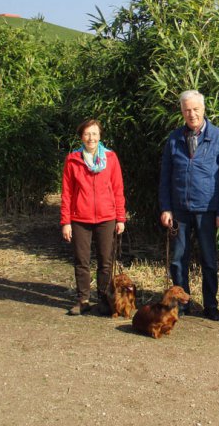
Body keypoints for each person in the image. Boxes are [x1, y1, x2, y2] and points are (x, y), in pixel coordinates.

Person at [159, 90, 219, 320]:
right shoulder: (174, 138)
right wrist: (166, 207)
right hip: (179, 209)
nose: (191, 114)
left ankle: (211, 304)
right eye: (187, 110)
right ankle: (182, 303)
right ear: (182, 112)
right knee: (178, 259)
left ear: (203, 109)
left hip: (207, 209)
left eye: (195, 109)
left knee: (209, 260)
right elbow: (165, 176)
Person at [61, 119, 126, 316]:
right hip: (80, 217)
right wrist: (66, 222)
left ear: (100, 136)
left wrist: (120, 218)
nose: (91, 138)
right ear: (81, 136)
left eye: (95, 134)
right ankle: (83, 299)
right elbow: (67, 193)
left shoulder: (111, 158)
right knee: (82, 260)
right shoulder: (73, 159)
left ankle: (104, 300)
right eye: (87, 134)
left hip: (107, 217)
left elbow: (118, 189)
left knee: (105, 261)